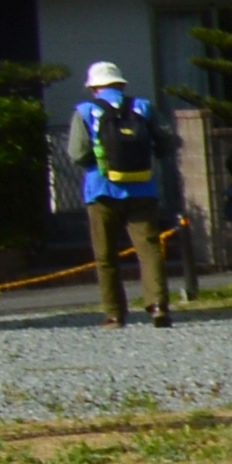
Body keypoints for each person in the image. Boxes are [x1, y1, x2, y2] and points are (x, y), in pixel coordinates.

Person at [69, 60, 175, 329]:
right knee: (149, 250)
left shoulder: (85, 111)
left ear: (94, 88)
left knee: (106, 256)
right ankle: (158, 305)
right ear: (122, 84)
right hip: (142, 189)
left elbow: (77, 153)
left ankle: (115, 314)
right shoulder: (143, 107)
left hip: (101, 190)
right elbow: (167, 143)